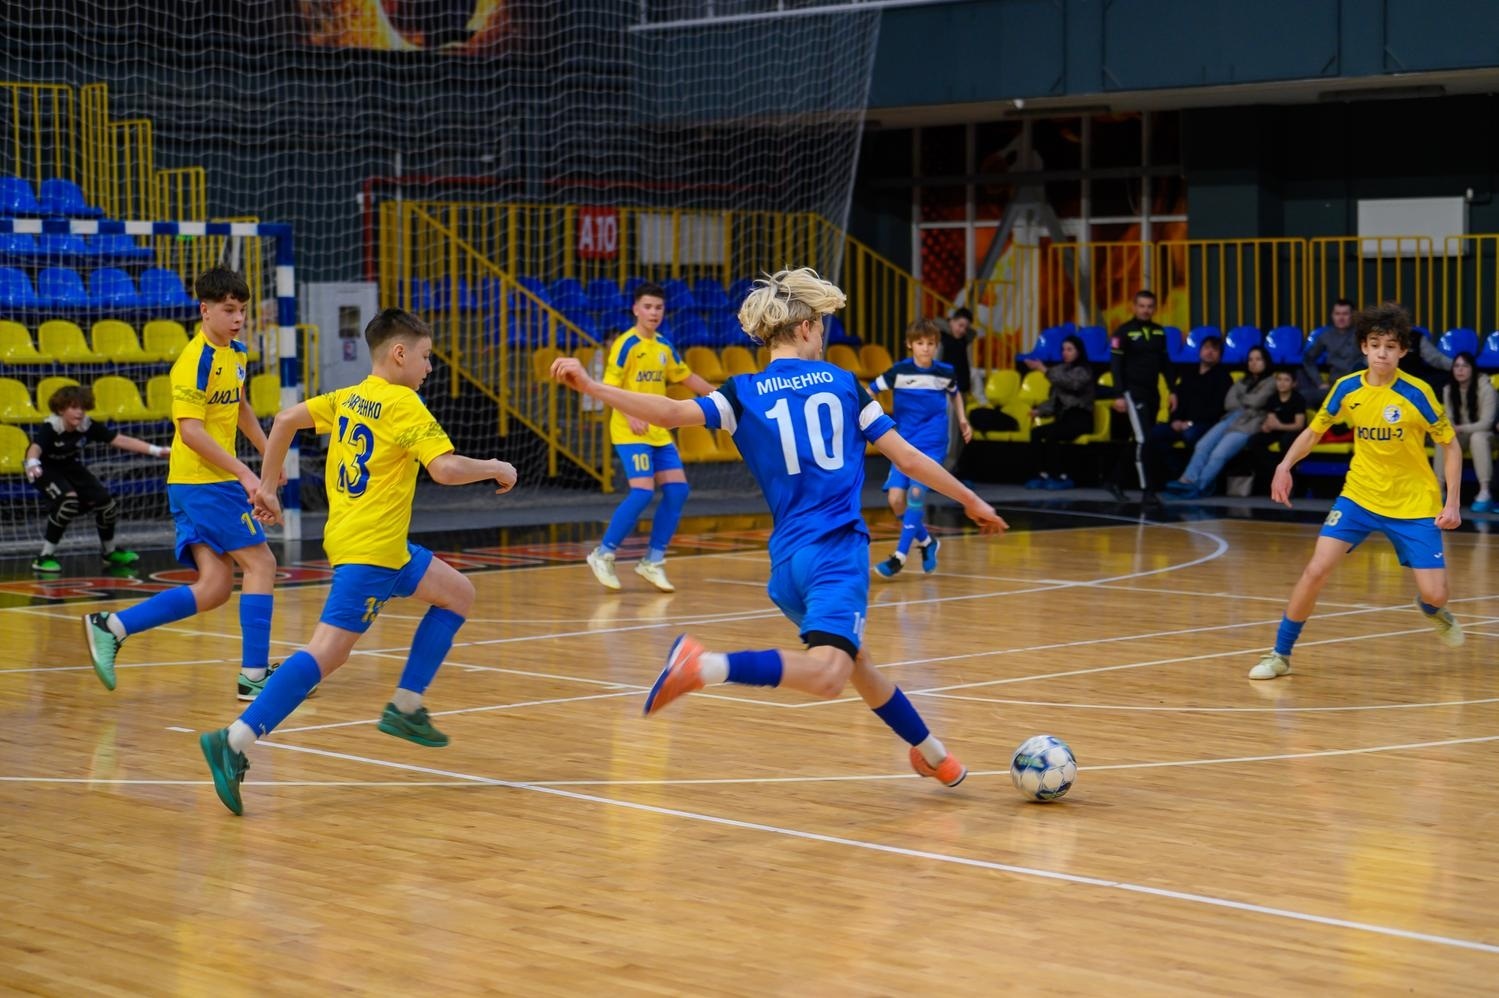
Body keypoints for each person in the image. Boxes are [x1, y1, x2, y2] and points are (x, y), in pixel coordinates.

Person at [550, 267, 1007, 788]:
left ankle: (932, 754)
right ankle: (704, 666)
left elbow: (670, 412)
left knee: (858, 664)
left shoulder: (741, 392)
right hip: (836, 551)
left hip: (788, 564)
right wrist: (972, 500)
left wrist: (593, 386)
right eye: (822, 328)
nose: (823, 339)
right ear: (807, 328)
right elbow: (908, 458)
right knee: (830, 674)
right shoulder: (844, 383)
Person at [198, 308, 517, 815]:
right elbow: (444, 469)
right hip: (372, 552)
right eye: (426, 357)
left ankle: (406, 706)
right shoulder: (404, 402)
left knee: (459, 593)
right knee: (327, 653)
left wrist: (267, 485)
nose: (429, 368)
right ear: (400, 354)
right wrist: (496, 466)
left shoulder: (349, 397)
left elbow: (284, 420)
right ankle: (234, 739)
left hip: (378, 545)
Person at [81, 267, 281, 698]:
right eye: (229, 310)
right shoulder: (193, 361)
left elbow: (240, 406)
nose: (238, 318)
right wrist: (245, 472)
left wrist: (269, 452)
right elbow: (190, 432)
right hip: (204, 482)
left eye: (242, 310)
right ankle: (253, 676)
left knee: (214, 588)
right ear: (205, 310)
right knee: (262, 564)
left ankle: (112, 626)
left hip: (200, 483)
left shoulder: (237, 352)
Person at [1250, 302, 1464, 681]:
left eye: (1391, 346)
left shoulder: (1417, 393)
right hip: (1359, 497)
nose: (1382, 353)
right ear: (1364, 347)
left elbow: (1451, 446)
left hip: (1413, 502)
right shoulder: (1347, 388)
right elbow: (1314, 432)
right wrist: (1284, 465)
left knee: (1436, 594)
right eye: (1375, 344)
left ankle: (1432, 609)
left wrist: (1452, 502)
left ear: (1402, 351)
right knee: (1316, 570)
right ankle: (1280, 654)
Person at [583, 282, 715, 594]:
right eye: (648, 307)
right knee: (642, 492)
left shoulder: (664, 346)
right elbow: (608, 388)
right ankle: (603, 553)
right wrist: (631, 412)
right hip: (630, 430)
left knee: (678, 491)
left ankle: (652, 560)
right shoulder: (626, 344)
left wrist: (724, 397)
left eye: (658, 307)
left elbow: (686, 376)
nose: (653, 312)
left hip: (657, 430)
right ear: (636, 310)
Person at [24, 384, 169, 573]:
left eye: (82, 408)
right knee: (68, 503)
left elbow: (119, 440)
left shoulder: (86, 425)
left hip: (69, 465)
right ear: (61, 410)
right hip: (43, 469)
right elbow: (35, 447)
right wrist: (32, 462)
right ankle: (44, 557)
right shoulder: (52, 427)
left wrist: (156, 450)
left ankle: (109, 552)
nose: (79, 412)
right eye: (73, 407)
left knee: (106, 504)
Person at [867, 318, 972, 577]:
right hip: (903, 443)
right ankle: (927, 541)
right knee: (895, 500)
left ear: (936, 346)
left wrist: (962, 418)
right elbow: (871, 390)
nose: (925, 348)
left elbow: (955, 393)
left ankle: (899, 557)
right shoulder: (899, 372)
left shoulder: (944, 372)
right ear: (909, 344)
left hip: (932, 443)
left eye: (931, 343)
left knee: (915, 494)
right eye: (920, 343)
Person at [1166, 345, 1277, 498]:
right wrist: (1246, 401)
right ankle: (1187, 480)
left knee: (1219, 454)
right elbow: (1229, 402)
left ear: (1266, 361)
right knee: (1202, 445)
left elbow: (1258, 401)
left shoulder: (1272, 382)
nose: (1253, 363)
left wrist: (1241, 398)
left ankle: (1200, 486)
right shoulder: (1243, 380)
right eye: (1250, 359)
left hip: (1250, 422)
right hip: (1230, 417)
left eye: (1258, 359)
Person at [1106, 289, 1168, 505]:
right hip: (1133, 392)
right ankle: (1147, 490)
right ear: (1134, 307)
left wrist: (1172, 390)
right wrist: (1119, 394)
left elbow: (1165, 363)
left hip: (1153, 393)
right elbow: (1115, 366)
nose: (1145, 310)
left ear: (1154, 308)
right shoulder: (1122, 332)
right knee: (1144, 440)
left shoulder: (1159, 332)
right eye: (1141, 306)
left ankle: (1113, 481)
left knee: (1141, 440)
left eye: (1149, 306)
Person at [1145, 335, 1232, 485]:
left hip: (1206, 425)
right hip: (1181, 422)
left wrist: (1190, 423)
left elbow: (1218, 409)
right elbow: (1176, 401)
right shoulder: (1188, 373)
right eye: (1206, 348)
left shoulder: (1224, 377)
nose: (1210, 352)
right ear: (1200, 351)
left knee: (1190, 435)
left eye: (1215, 350)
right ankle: (1176, 473)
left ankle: (1194, 477)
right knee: (1154, 434)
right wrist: (1175, 420)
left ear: (1220, 355)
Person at [1022, 334, 1095, 490]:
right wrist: (1039, 411)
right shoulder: (1060, 370)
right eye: (1063, 349)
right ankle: (1041, 474)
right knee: (1036, 433)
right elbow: (1055, 401)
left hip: (1080, 418)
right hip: (1064, 419)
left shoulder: (1084, 371)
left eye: (1069, 349)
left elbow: (1072, 384)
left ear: (1079, 351)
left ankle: (1060, 476)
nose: (1065, 353)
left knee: (1052, 435)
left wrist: (1044, 370)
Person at [1434, 351, 1495, 512]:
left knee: (1477, 437)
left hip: (1486, 435)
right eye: (1456, 366)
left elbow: (1487, 423)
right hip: (1461, 435)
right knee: (1444, 438)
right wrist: (1451, 429)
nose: (1460, 370)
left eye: (1465, 366)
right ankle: (1439, 490)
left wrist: (1460, 428)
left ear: (1472, 369)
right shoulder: (1449, 389)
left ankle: (1485, 492)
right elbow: (1449, 418)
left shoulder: (1485, 388)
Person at [1248, 367, 1308, 490]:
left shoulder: (1298, 399)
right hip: (1277, 431)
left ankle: (1289, 481)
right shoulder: (1272, 399)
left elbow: (1299, 425)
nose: (1282, 383)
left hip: (1294, 432)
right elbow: (1271, 419)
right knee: (1254, 441)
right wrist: (1266, 426)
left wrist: (1278, 426)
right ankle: (1275, 471)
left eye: (1286, 380)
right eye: (1279, 379)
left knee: (1285, 442)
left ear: (1293, 383)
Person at [1300, 299, 1360, 407]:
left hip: (1358, 386)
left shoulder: (1362, 335)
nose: (1341, 318)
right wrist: (1319, 383)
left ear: (1352, 315)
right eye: (1337, 314)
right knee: (1301, 397)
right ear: (1332, 316)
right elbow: (1308, 359)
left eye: (1345, 314)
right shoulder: (1326, 336)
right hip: (1334, 386)